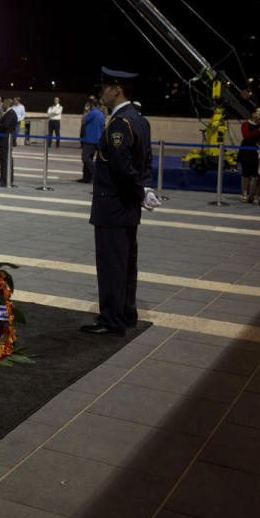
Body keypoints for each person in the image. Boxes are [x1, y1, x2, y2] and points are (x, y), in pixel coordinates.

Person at [82, 67, 157, 337]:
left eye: (104, 87)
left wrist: (139, 192)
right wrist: (145, 189)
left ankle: (112, 319)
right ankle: (127, 312)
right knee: (127, 262)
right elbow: (146, 160)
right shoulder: (140, 120)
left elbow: (121, 167)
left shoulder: (119, 123)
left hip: (112, 205)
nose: (101, 92)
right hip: (127, 206)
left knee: (112, 263)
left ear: (117, 89)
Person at [239, 107, 260, 202]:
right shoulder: (246, 124)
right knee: (246, 174)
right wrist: (259, 131)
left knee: (254, 174)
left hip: (257, 150)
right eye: (259, 112)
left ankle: (252, 195)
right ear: (253, 114)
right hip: (247, 150)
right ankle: (244, 193)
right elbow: (246, 136)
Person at [79, 101, 105, 183]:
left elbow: (83, 121)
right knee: (89, 157)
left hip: (90, 139)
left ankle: (95, 170)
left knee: (85, 157)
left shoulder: (92, 113)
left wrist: (86, 111)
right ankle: (87, 178)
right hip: (98, 139)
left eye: (88, 105)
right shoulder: (101, 113)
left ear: (91, 105)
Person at [0, 98, 18, 186]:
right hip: (5, 139)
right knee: (3, 159)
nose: (2, 105)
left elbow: (5, 125)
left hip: (6, 140)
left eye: (4, 103)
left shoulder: (11, 113)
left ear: (8, 104)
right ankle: (3, 177)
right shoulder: (8, 112)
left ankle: (6, 179)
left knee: (6, 159)